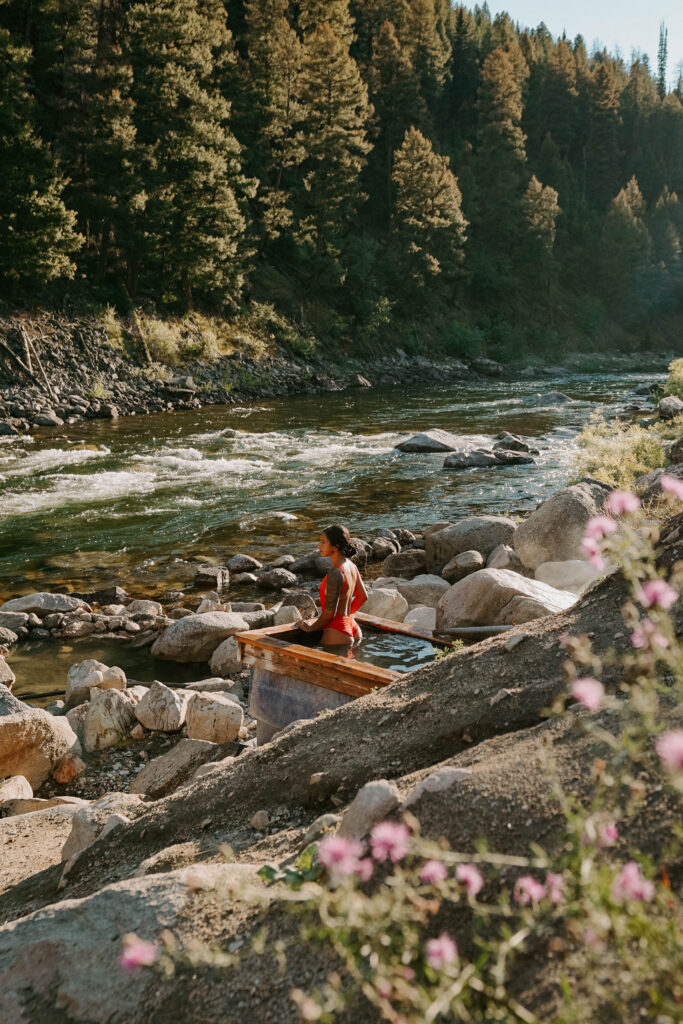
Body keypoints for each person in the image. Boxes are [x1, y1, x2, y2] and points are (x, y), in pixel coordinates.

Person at [298, 524, 368, 647]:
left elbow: (329, 613)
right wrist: (345, 617)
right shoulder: (351, 565)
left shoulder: (335, 573)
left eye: (323, 542)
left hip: (337, 631)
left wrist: (310, 627)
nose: (319, 546)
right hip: (352, 625)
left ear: (335, 547)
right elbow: (362, 596)